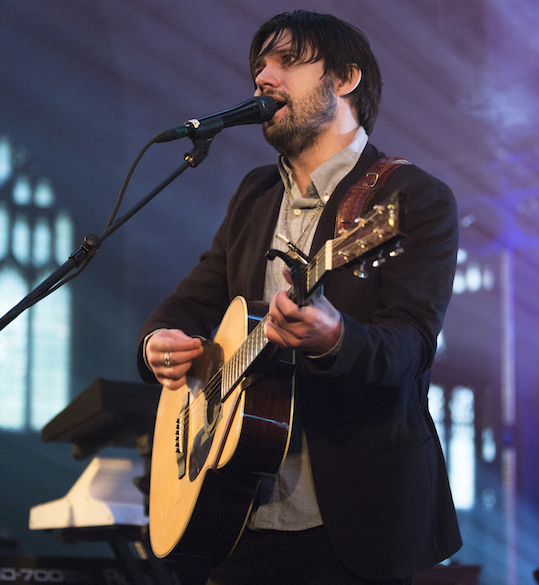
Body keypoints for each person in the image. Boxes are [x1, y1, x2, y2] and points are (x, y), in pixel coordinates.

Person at [137, 10, 462, 585]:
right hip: (237, 516)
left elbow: (411, 346)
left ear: (344, 79)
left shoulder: (411, 197)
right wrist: (158, 344)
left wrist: (336, 339)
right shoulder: (255, 193)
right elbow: (191, 300)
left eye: (286, 61)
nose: (263, 77)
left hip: (352, 522)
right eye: (259, 65)